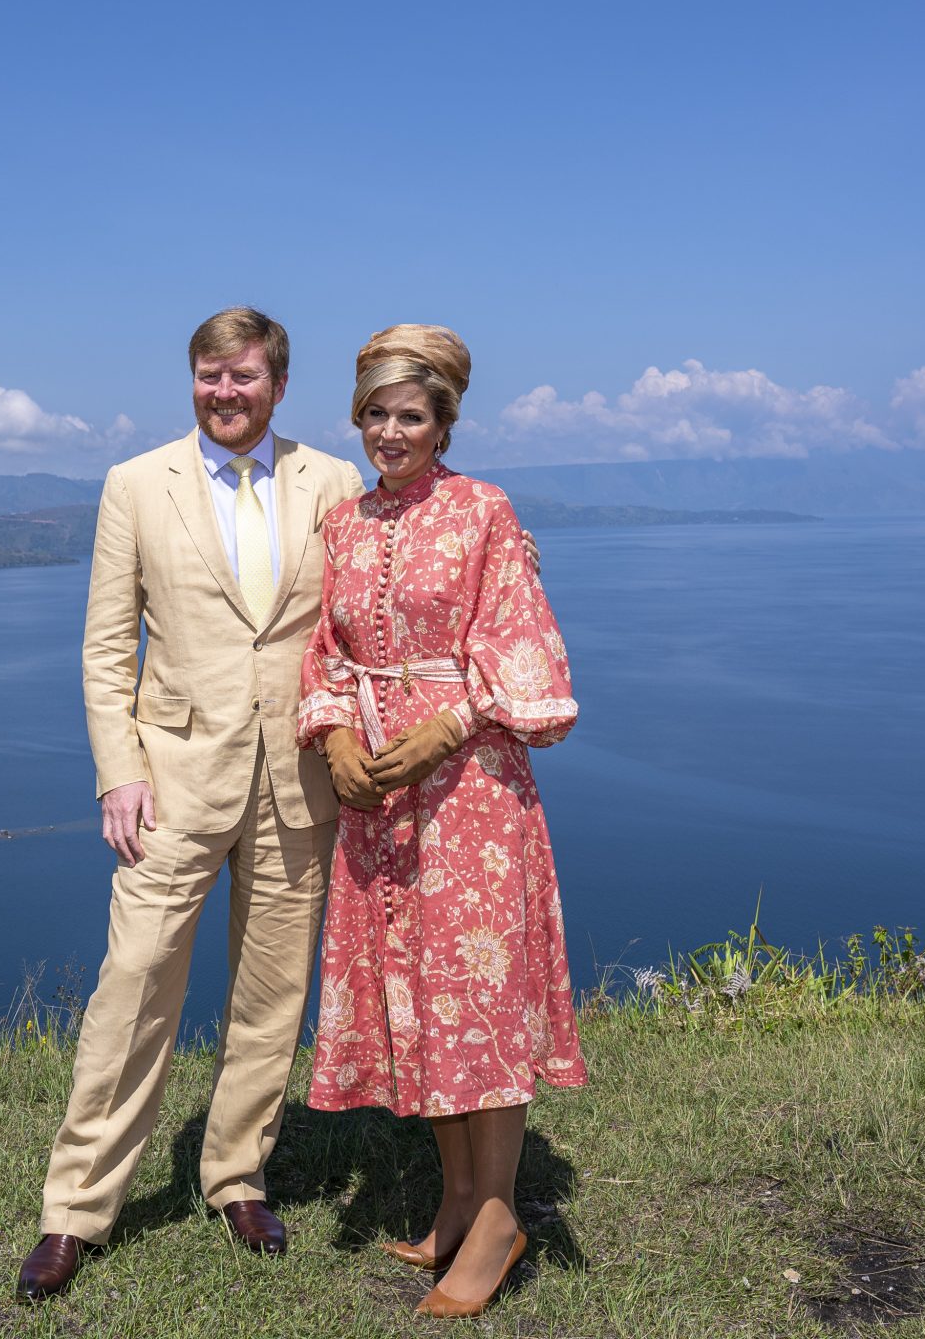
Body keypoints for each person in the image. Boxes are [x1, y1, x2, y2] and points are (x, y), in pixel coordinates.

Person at [19, 306, 365, 1302]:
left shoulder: (330, 483)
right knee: (132, 989)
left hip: (296, 781)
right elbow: (102, 645)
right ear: (193, 381)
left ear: (277, 386)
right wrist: (117, 768)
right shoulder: (135, 484)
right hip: (170, 783)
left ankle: (235, 1177)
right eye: (210, 375)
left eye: (244, 377)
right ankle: (75, 1209)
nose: (225, 392)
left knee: (270, 1002)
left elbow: (353, 624)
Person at [297, 323, 585, 1319]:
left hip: (468, 796)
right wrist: (332, 734)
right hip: (379, 798)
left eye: (408, 414)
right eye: (373, 412)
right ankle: (458, 1197)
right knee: (424, 999)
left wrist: (446, 727)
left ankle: (500, 1212)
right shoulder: (343, 526)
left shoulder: (484, 512)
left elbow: (521, 648)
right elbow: (326, 654)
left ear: (443, 421)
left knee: (480, 999)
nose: (388, 430)